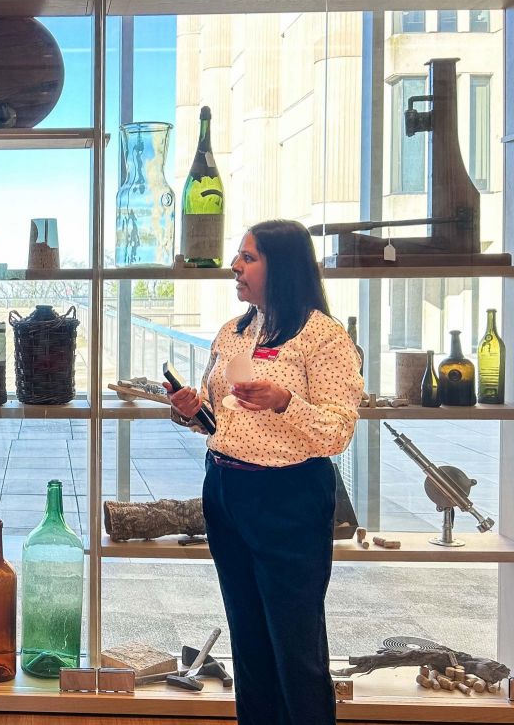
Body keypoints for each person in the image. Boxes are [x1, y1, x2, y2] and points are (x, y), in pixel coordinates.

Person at [164, 219, 362, 725]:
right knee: (248, 640)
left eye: (248, 258)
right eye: (238, 257)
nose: (235, 266)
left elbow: (338, 431)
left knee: (295, 648)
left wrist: (284, 402)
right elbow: (217, 420)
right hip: (227, 489)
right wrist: (190, 411)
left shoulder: (324, 338)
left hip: (289, 497)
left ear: (283, 266)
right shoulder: (233, 333)